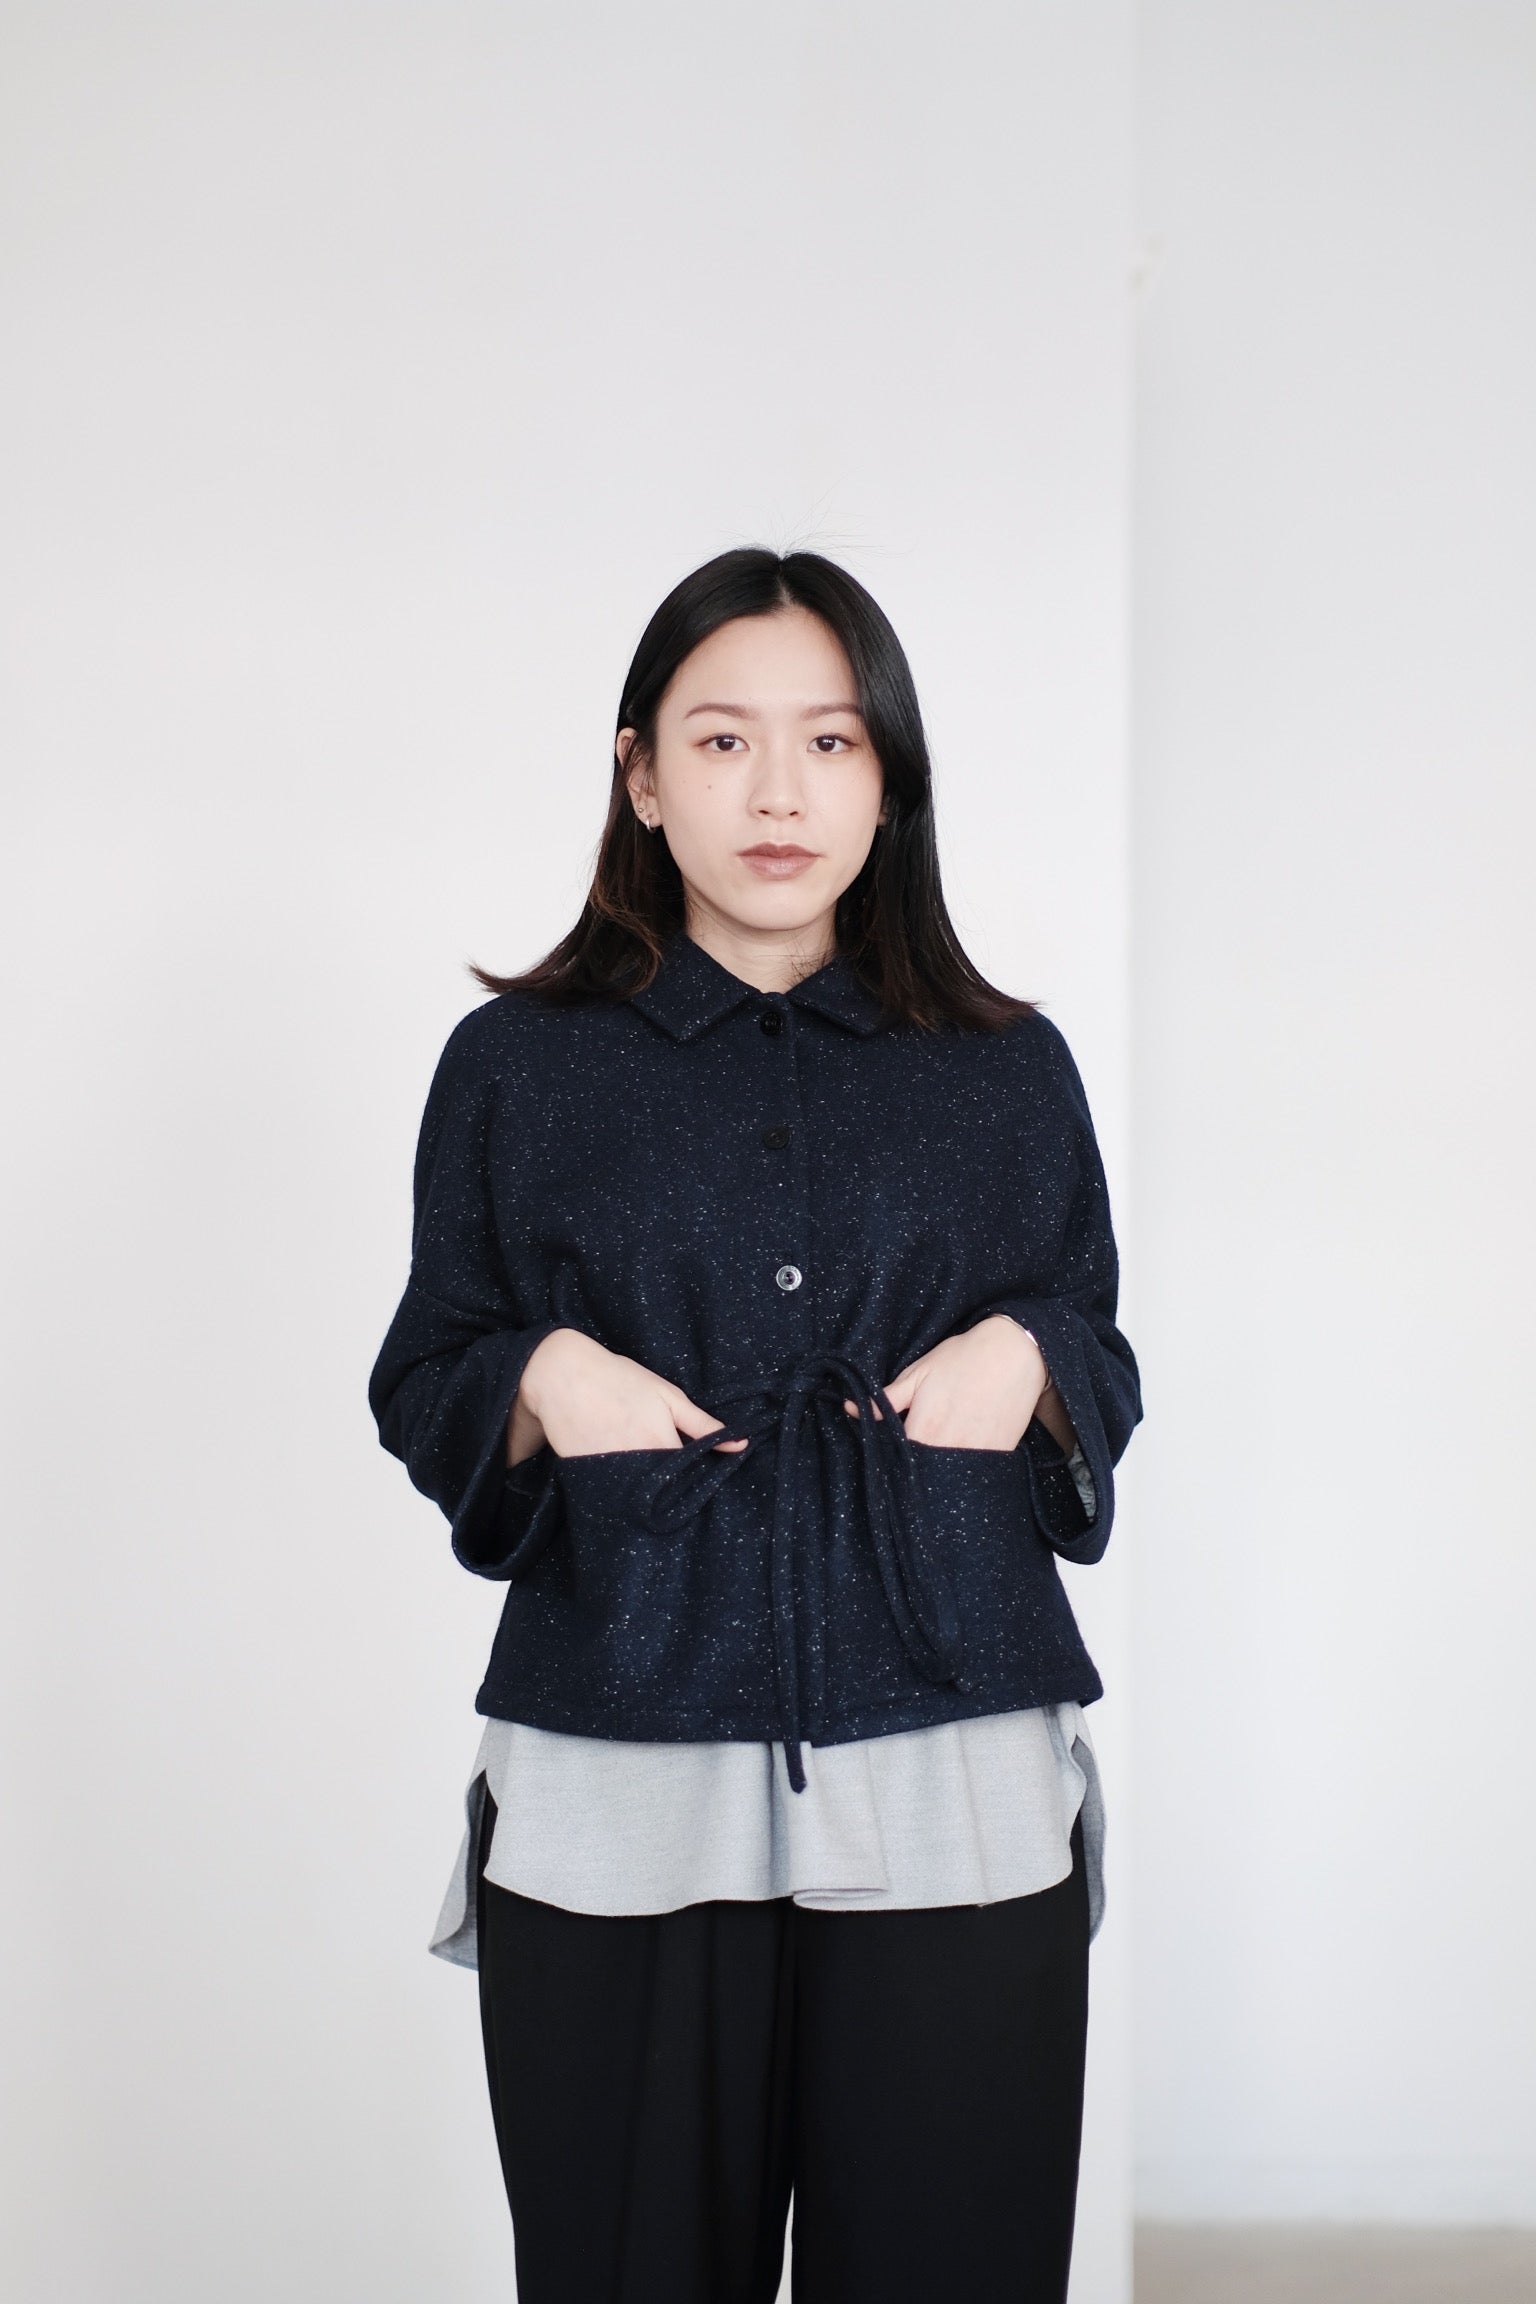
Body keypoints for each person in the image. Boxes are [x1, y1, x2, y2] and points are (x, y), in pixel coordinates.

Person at [367, 545, 1144, 2304]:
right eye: (722, 741)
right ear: (642, 776)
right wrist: (541, 1381)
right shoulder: (517, 1069)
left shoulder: (1009, 1069)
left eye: (832, 742)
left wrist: (1033, 1356)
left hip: (950, 1775)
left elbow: (1099, 1352)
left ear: (890, 783)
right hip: (622, 1772)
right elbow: (426, 1372)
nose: (779, 793)